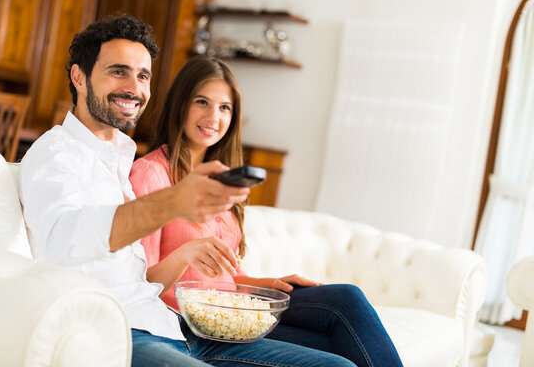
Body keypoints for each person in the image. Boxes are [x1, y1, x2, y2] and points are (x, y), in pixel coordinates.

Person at [19, 14, 358, 367]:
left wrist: (187, 256)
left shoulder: (116, 158)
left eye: (143, 76)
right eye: (118, 71)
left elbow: (141, 281)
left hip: (170, 328)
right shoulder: (57, 154)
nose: (134, 88)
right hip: (115, 328)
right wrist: (173, 202)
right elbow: (61, 239)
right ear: (79, 76)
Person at [129, 55, 404, 367]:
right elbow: (141, 284)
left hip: (231, 314)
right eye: (201, 102)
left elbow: (225, 278)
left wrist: (267, 284)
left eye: (224, 107)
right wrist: (182, 256)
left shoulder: (222, 178)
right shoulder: (150, 174)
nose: (213, 116)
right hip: (187, 326)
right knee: (340, 360)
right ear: (180, 104)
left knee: (345, 302)